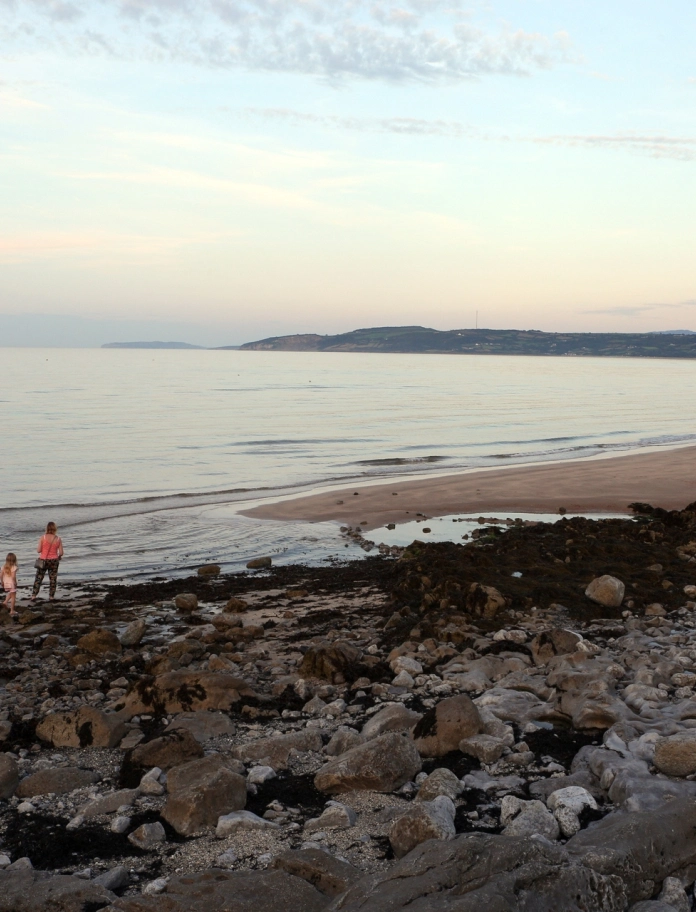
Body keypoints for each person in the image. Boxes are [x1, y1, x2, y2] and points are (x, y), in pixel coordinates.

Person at [30, 522, 64, 602]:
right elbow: (61, 553)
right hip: (54, 561)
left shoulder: (43, 537)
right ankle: (51, 596)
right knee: (53, 579)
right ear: (55, 529)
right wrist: (58, 556)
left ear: (47, 528)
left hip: (43, 560)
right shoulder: (58, 539)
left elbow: (38, 550)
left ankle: (34, 595)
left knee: (39, 578)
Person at [2, 553, 18, 619]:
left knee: (11, 593)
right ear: (14, 560)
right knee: (13, 596)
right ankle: (12, 610)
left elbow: (0, 575)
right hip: (11, 584)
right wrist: (15, 583)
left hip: (6, 583)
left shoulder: (3, 567)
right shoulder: (14, 567)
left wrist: (2, 582)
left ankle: (5, 602)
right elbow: (13, 577)